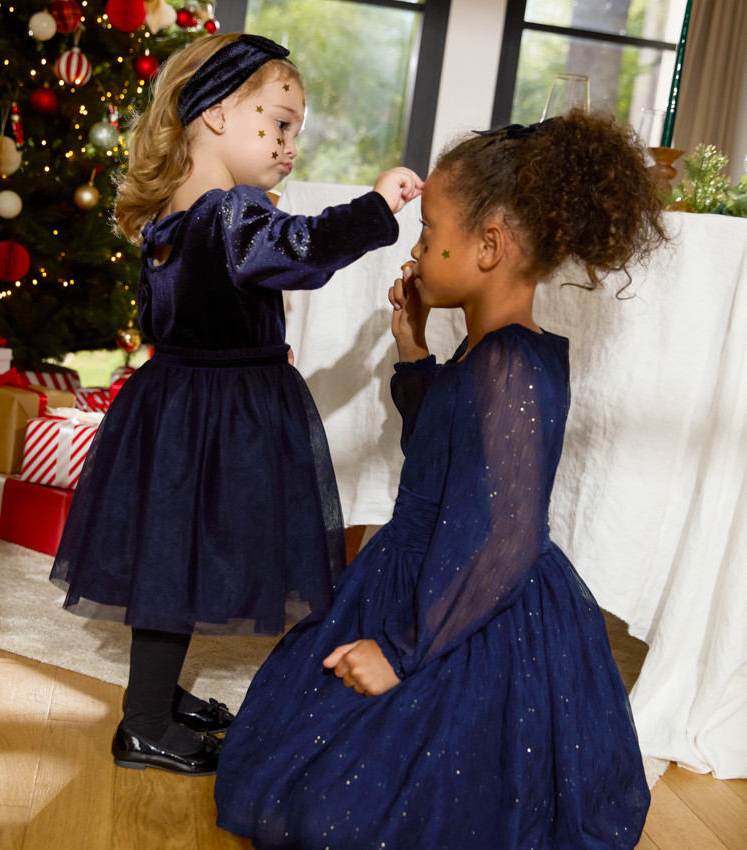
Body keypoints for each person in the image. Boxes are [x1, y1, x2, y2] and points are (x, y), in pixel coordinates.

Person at [214, 111, 667, 847]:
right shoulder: (482, 356)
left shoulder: (514, 366)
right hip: (423, 569)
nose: (417, 250)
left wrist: (401, 650)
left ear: (488, 246)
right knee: (295, 751)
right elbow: (439, 454)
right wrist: (414, 349)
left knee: (342, 808)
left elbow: (506, 534)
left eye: (429, 233)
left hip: (469, 593)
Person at [49, 32, 422, 777]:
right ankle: (145, 724)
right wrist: (378, 206)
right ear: (216, 115)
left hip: (178, 405)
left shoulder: (173, 216)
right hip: (219, 412)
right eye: (279, 123)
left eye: (295, 131)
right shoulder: (229, 216)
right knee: (179, 563)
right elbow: (306, 246)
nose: (289, 144)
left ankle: (157, 696)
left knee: (176, 559)